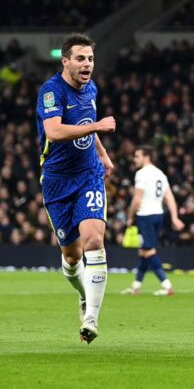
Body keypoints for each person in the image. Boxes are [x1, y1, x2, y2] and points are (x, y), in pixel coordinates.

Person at [35, 33, 116, 344]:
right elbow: (54, 131)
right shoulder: (51, 91)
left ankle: (92, 319)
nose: (87, 65)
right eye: (80, 59)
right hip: (57, 181)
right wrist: (97, 127)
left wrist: (103, 154)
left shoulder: (90, 88)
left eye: (91, 59)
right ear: (65, 61)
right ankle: (84, 294)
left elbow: (87, 121)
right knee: (71, 257)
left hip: (88, 176)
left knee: (94, 239)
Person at [121, 145, 185, 296]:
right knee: (144, 251)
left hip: (146, 216)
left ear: (146, 156)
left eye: (137, 156)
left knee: (149, 251)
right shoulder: (160, 174)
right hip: (158, 215)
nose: (134, 159)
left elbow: (136, 200)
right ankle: (136, 287)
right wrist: (174, 217)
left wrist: (130, 217)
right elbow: (169, 197)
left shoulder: (141, 174)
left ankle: (167, 285)